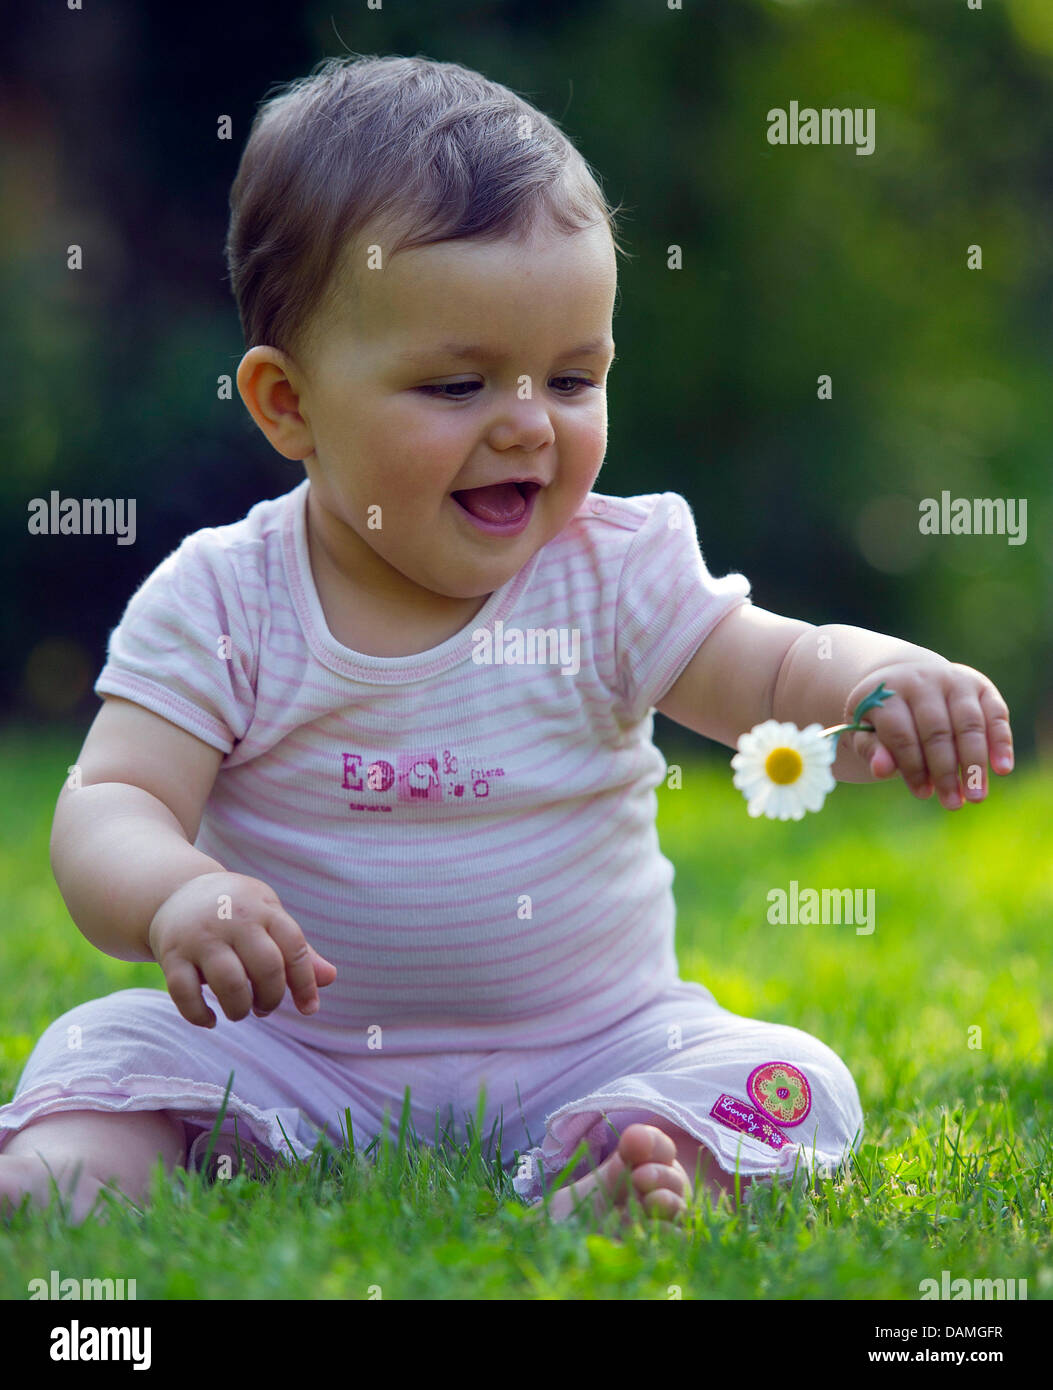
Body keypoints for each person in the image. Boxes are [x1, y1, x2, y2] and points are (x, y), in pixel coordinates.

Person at [0, 55, 1014, 1226]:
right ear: (289, 405)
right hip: (289, 1057)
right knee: (105, 1054)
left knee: (788, 1080)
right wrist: (177, 894)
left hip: (590, 1050)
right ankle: (60, 1181)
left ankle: (623, 1169)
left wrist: (880, 675)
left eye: (573, 377)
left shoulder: (612, 571)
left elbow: (777, 668)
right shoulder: (227, 600)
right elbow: (111, 799)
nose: (528, 424)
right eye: (458, 385)